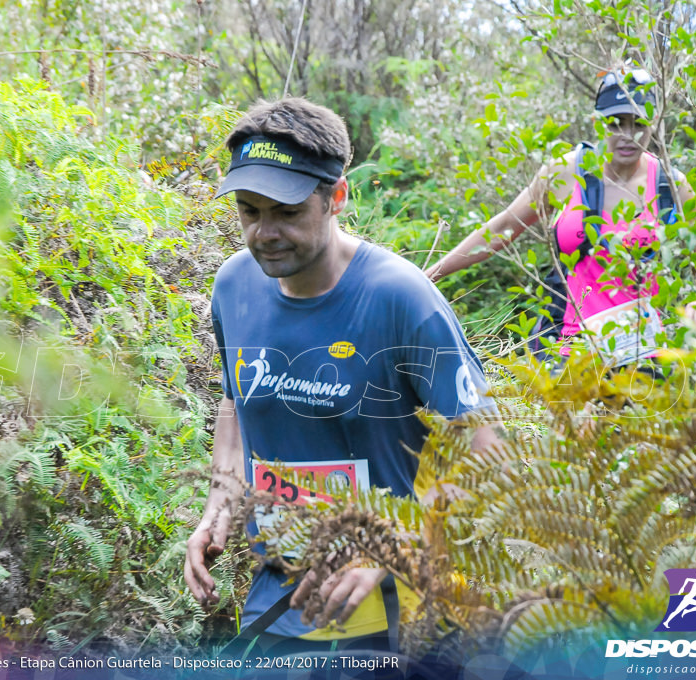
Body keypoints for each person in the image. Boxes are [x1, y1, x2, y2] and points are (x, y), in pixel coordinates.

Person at [183, 97, 501, 657]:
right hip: (282, 604)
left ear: (336, 198)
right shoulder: (234, 287)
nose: (264, 233)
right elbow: (235, 404)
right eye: (249, 211)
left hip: (403, 619)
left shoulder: (399, 297)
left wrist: (395, 545)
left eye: (286, 212)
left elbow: (485, 450)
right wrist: (221, 498)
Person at [425, 68, 696, 365]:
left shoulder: (670, 185)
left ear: (653, 123)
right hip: (565, 350)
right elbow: (504, 226)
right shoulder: (565, 172)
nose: (627, 135)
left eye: (638, 123)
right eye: (615, 123)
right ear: (598, 124)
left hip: (643, 355)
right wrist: (429, 276)